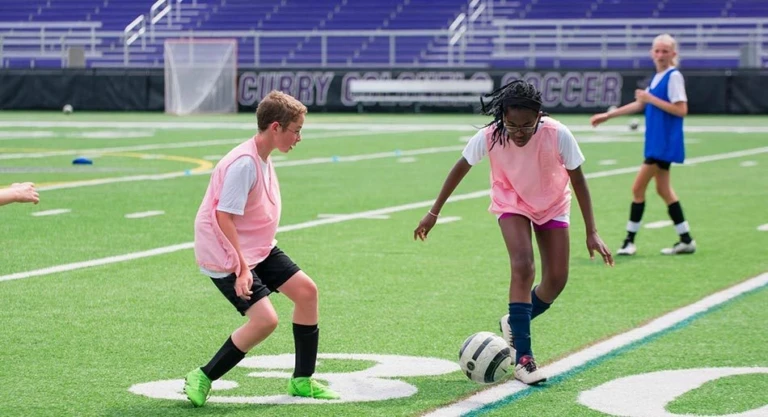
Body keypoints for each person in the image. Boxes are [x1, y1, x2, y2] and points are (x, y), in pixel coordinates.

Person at [413, 80, 614, 385]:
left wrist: (592, 231)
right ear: (502, 117)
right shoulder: (491, 136)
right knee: (523, 266)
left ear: (539, 117)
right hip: (512, 201)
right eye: (512, 125)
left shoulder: (558, 134)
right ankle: (524, 358)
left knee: (556, 280)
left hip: (552, 203)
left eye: (526, 125)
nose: (519, 132)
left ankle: (514, 321)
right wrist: (434, 212)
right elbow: (460, 167)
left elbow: (579, 181)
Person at [184, 90, 339, 407]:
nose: (299, 137)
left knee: (307, 293)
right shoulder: (244, 164)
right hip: (226, 253)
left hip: (259, 248)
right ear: (275, 128)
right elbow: (223, 216)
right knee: (265, 321)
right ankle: (203, 376)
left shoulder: (263, 157)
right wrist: (242, 269)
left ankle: (302, 381)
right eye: (296, 130)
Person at [590, 33, 695, 256]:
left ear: (673, 54)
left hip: (663, 143)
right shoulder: (658, 77)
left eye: (665, 51)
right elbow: (639, 104)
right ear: (651, 53)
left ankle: (629, 241)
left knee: (638, 188)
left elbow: (681, 109)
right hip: (657, 142)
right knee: (664, 190)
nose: (660, 55)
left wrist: (651, 100)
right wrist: (607, 116)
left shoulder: (673, 76)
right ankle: (686, 238)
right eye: (657, 50)